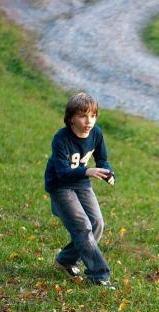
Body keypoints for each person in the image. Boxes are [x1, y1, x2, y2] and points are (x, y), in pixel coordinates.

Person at [44, 92, 115, 286]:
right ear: (71, 118)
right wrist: (87, 171)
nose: (89, 121)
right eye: (83, 116)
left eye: (93, 116)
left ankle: (65, 260)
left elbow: (102, 159)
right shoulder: (61, 139)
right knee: (83, 226)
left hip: (81, 183)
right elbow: (62, 172)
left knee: (97, 223)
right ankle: (99, 275)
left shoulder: (96, 133)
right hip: (60, 185)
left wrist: (108, 173)